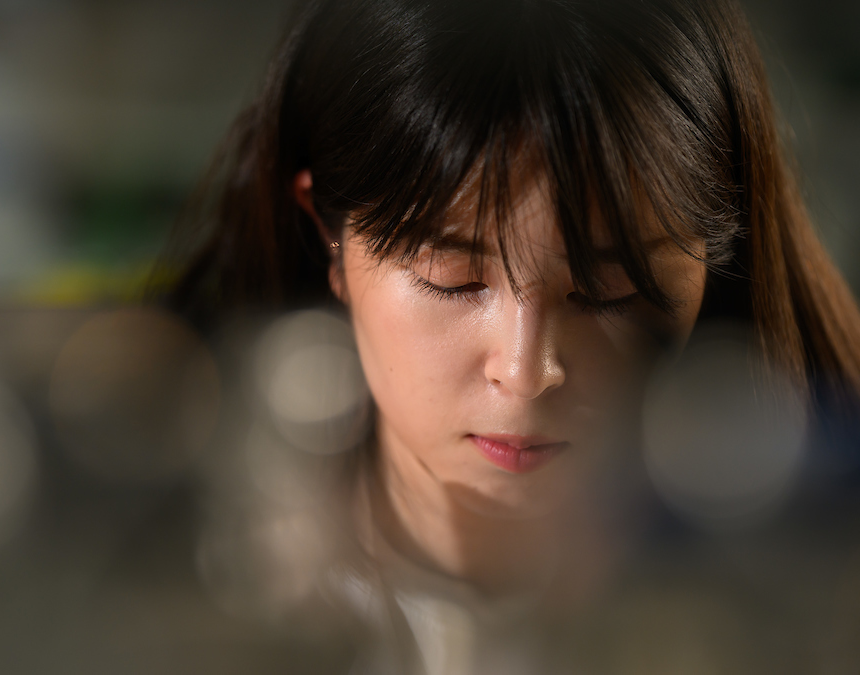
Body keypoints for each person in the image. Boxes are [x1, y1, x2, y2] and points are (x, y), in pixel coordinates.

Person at [161, 0, 860, 671]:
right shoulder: (160, 586)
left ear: (716, 254)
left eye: (607, 290)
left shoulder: (818, 601)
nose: (525, 369)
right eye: (453, 278)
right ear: (330, 235)